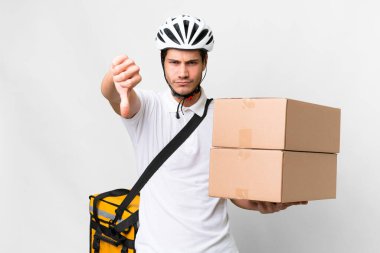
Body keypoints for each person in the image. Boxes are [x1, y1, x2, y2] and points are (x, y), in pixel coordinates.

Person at [101, 14, 307, 253]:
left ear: (205, 62)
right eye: (174, 62)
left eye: (191, 63)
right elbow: (113, 96)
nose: (183, 73)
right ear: (162, 62)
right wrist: (114, 79)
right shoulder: (148, 108)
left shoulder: (226, 116)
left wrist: (262, 203)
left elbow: (234, 192)